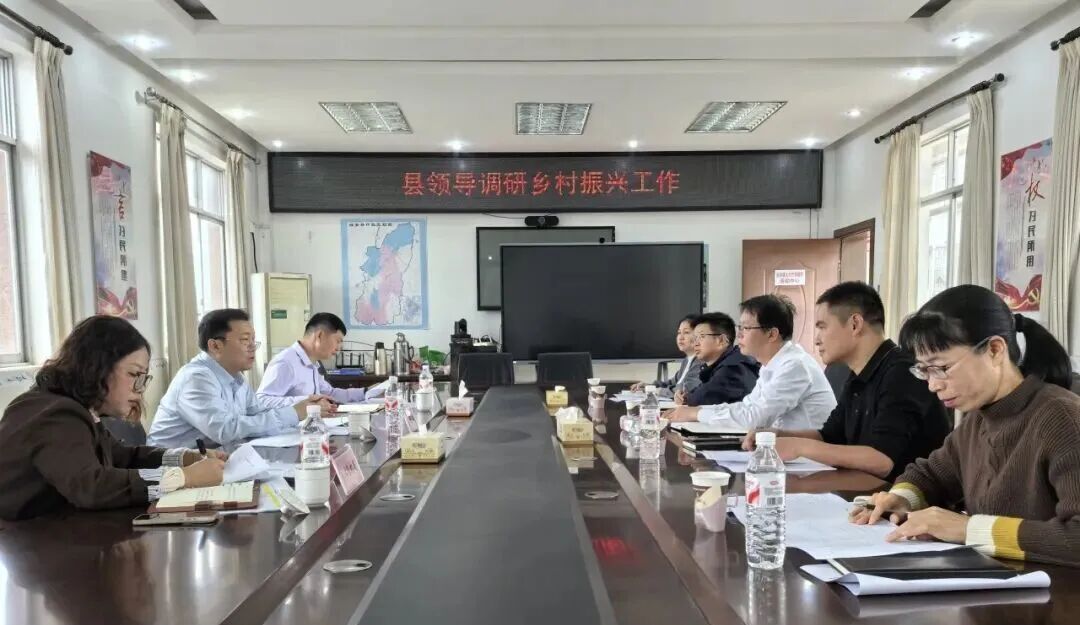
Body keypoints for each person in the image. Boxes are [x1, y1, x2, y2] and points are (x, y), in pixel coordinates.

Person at [851, 285, 1080, 567]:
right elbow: (930, 474)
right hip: (995, 584)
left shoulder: (1062, 417)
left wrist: (968, 530)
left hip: (1056, 590)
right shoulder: (978, 418)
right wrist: (901, 499)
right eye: (924, 370)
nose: (933, 385)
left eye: (941, 368)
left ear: (994, 350)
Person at [0, 316, 225, 521]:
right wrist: (183, 478)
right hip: (20, 541)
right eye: (134, 374)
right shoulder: (55, 415)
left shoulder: (78, 410)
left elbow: (124, 457)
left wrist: (184, 458)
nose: (140, 389)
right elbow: (92, 487)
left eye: (143, 378)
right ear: (97, 367)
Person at [742, 282, 949, 481]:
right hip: (865, 492)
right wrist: (779, 435)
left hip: (907, 499)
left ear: (855, 324)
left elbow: (882, 460)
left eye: (822, 327)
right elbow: (829, 436)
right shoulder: (857, 375)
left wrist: (799, 447)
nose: (817, 339)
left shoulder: (902, 373)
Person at [148, 309, 323, 449]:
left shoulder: (236, 377)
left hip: (213, 460)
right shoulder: (196, 378)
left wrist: (301, 407)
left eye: (253, 340)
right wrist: (293, 413)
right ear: (215, 345)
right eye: (245, 340)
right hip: (170, 470)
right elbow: (225, 430)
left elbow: (258, 412)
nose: (252, 347)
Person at [666, 295, 835, 430]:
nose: (739, 335)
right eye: (740, 328)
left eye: (746, 328)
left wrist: (695, 414)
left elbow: (755, 418)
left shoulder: (794, 366)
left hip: (807, 458)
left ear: (771, 334)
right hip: (782, 450)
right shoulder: (771, 365)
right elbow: (747, 407)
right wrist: (694, 411)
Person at [257, 312, 385, 406]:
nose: (339, 348)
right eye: (338, 341)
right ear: (319, 335)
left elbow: (331, 393)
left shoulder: (312, 363)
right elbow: (262, 401)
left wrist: (367, 391)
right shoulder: (286, 362)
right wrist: (307, 401)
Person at [675, 312, 759, 407]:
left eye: (702, 336)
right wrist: (684, 396)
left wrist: (687, 398)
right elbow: (700, 392)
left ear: (721, 340)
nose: (695, 343)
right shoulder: (719, 365)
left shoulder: (733, 369)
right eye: (695, 338)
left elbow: (703, 397)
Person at [630, 314, 702, 397]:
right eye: (679, 332)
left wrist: (658, 391)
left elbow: (684, 390)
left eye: (686, 332)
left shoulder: (701, 361)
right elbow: (672, 383)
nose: (680, 337)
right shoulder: (687, 360)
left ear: (699, 336)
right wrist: (648, 386)